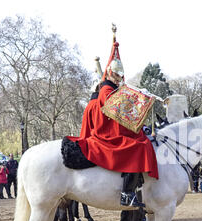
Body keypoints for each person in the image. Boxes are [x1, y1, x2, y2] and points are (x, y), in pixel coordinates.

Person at [67, 49, 158, 208]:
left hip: (113, 130)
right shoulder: (106, 90)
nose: (119, 78)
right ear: (109, 74)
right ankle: (127, 193)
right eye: (116, 75)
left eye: (120, 76)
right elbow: (121, 112)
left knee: (142, 140)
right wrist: (140, 99)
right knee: (139, 147)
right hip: (106, 135)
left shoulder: (112, 89)